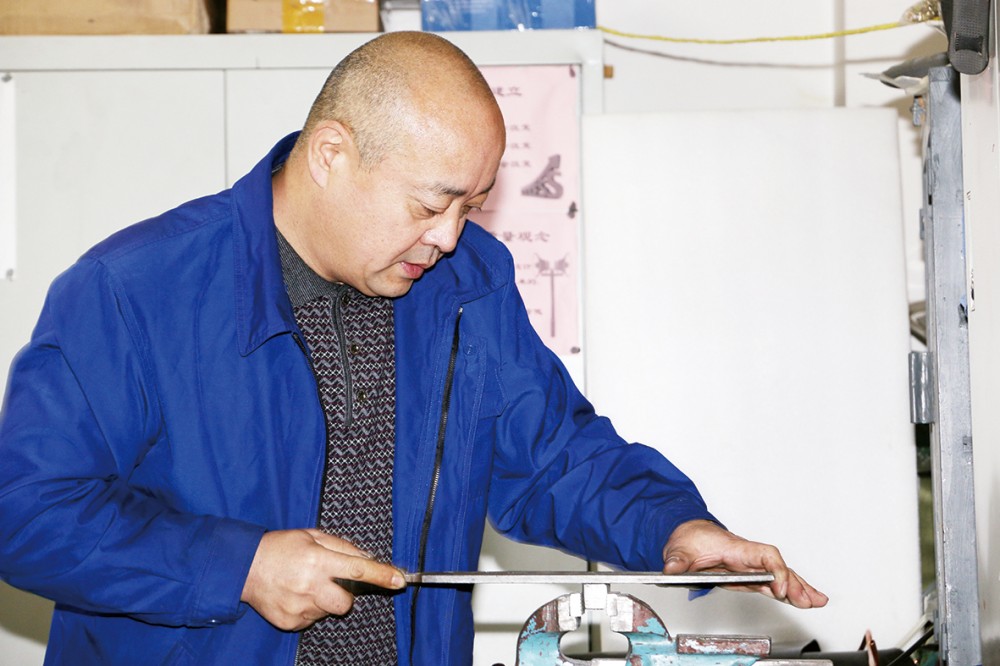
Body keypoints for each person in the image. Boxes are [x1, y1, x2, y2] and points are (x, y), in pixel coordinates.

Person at [0, 31, 827, 665]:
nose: (451, 237)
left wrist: (673, 525)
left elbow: (551, 456)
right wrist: (240, 566)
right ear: (332, 155)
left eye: (473, 205)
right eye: (432, 205)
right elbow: (26, 513)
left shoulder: (466, 283)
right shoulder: (134, 292)